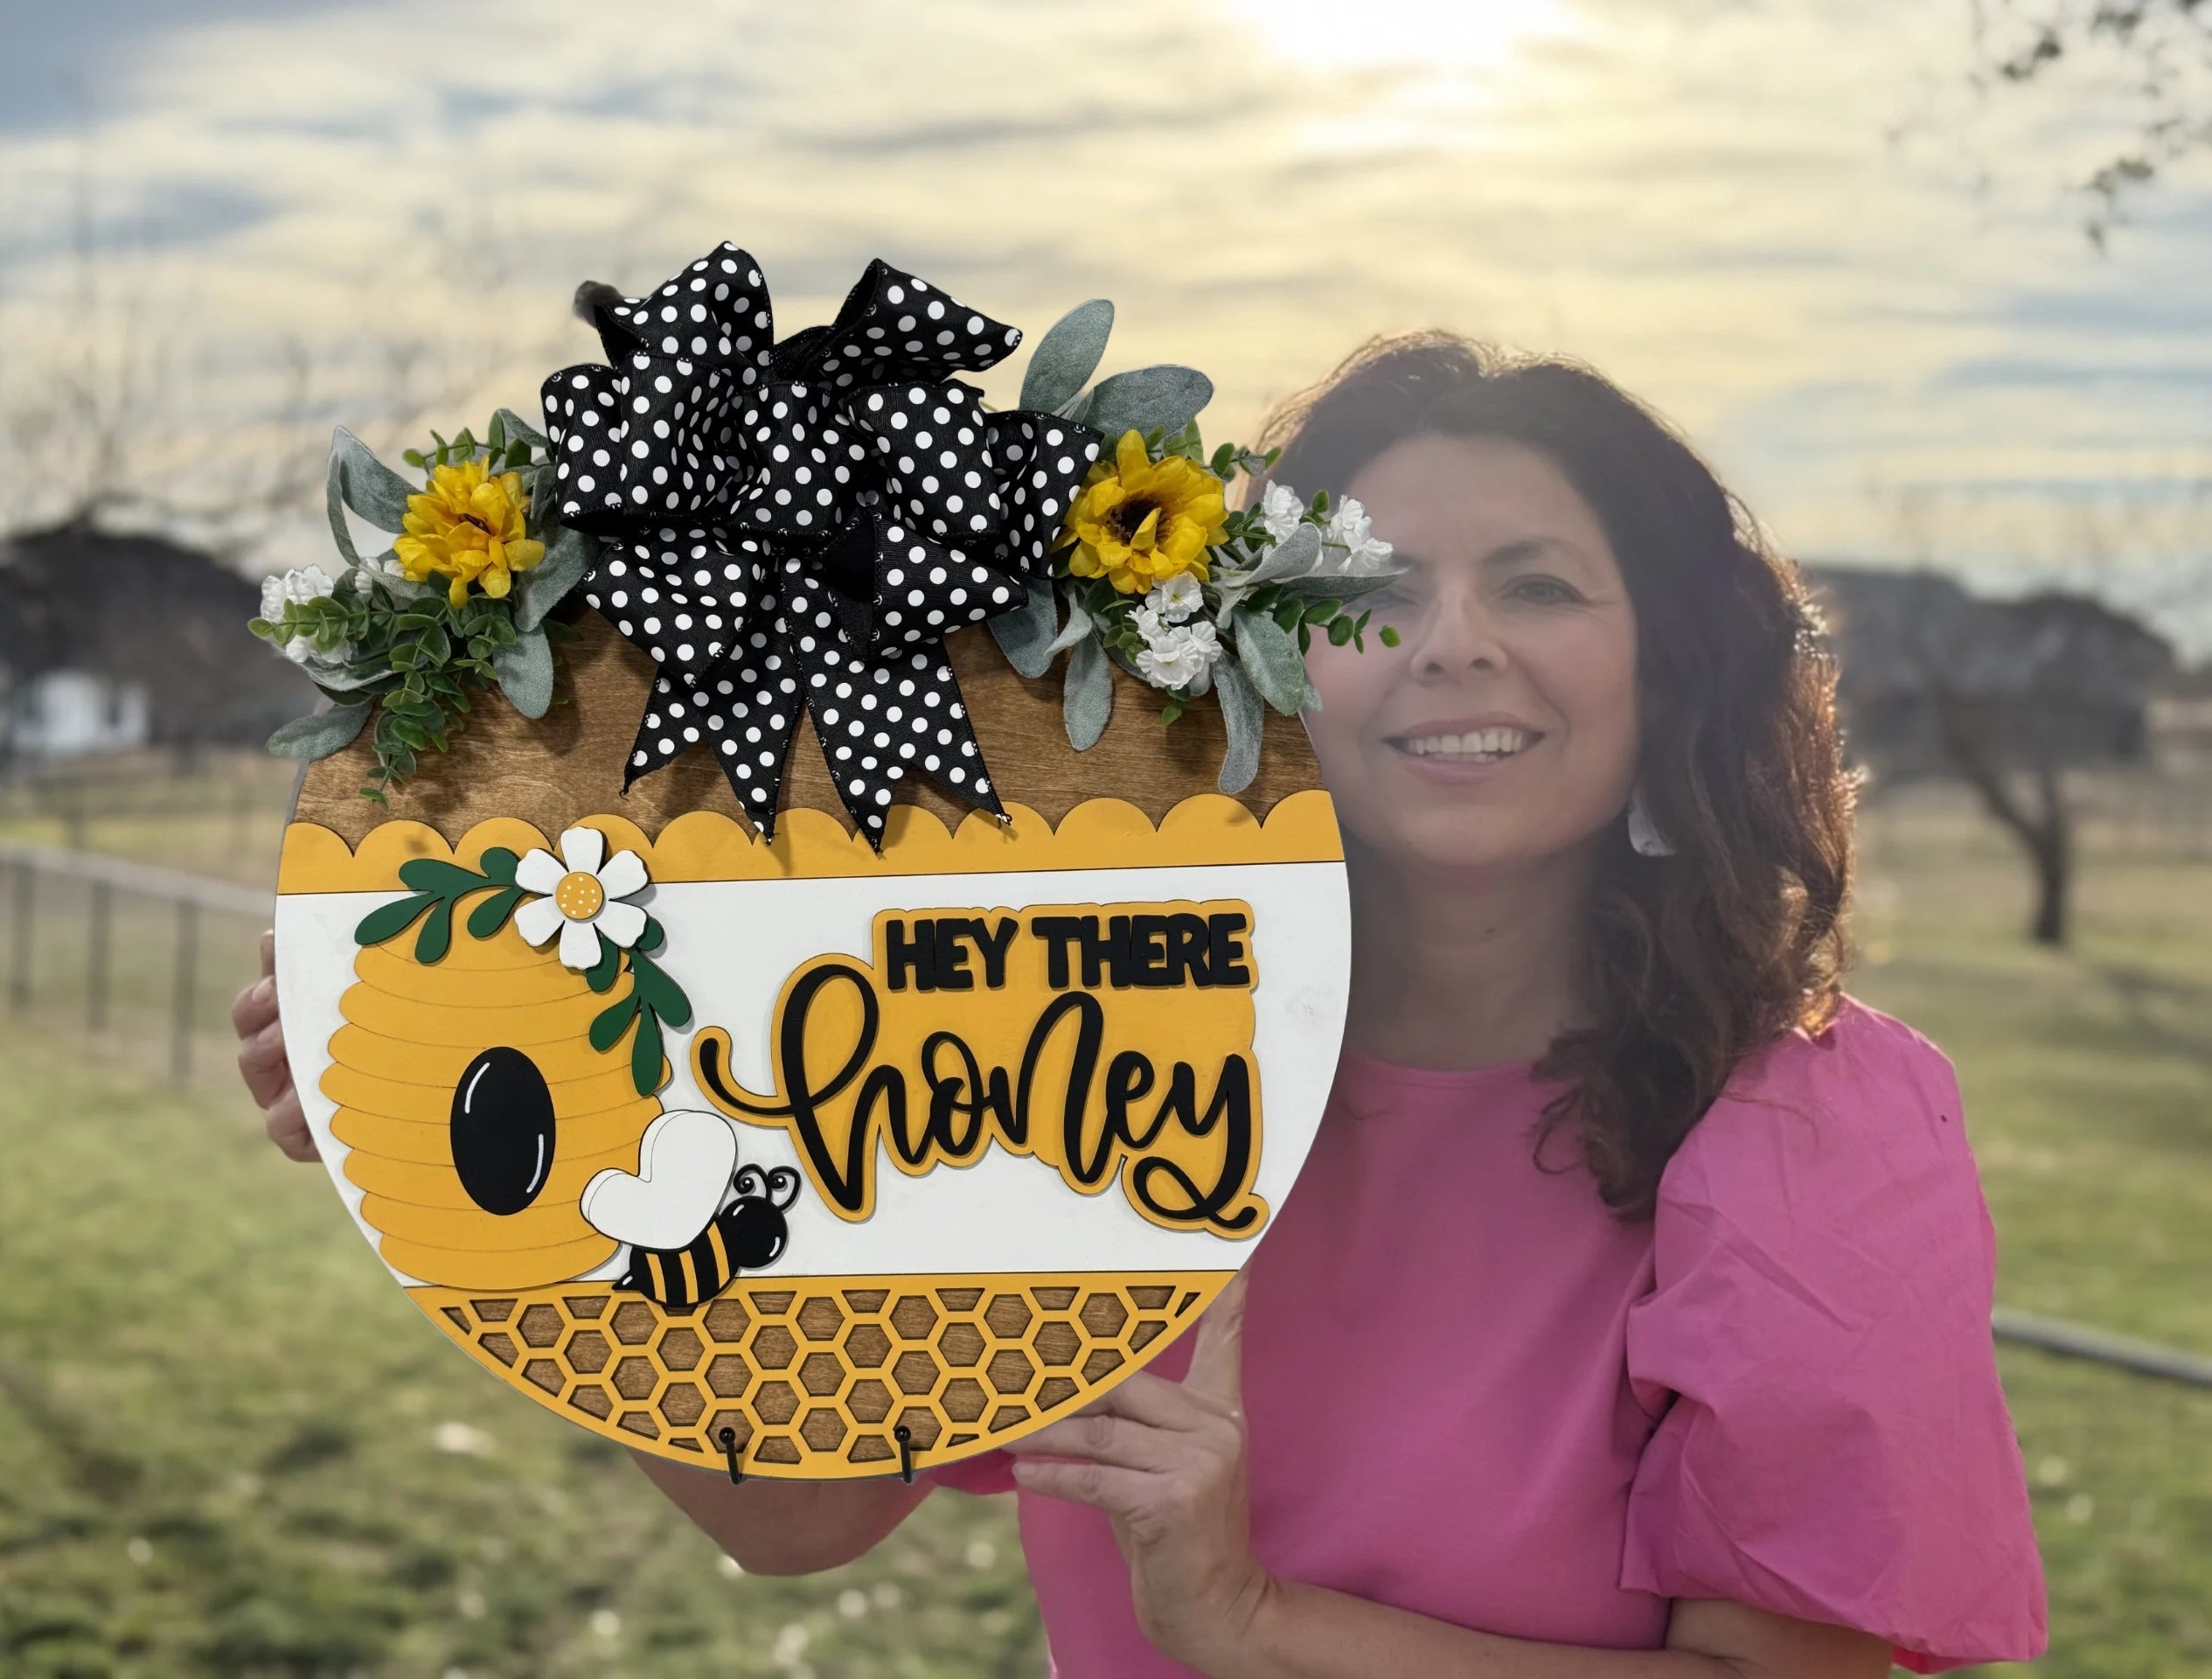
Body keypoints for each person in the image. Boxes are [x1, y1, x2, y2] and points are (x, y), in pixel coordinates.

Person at [234, 333, 2048, 1677]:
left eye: (1540, 585)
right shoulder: (1081, 1041)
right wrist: (499, 1193)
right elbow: (799, 1511)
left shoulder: (1806, 1126)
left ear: (1669, 675)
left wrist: (1255, 1624)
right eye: (1370, 593)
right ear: (1251, 665)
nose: (1451, 643)